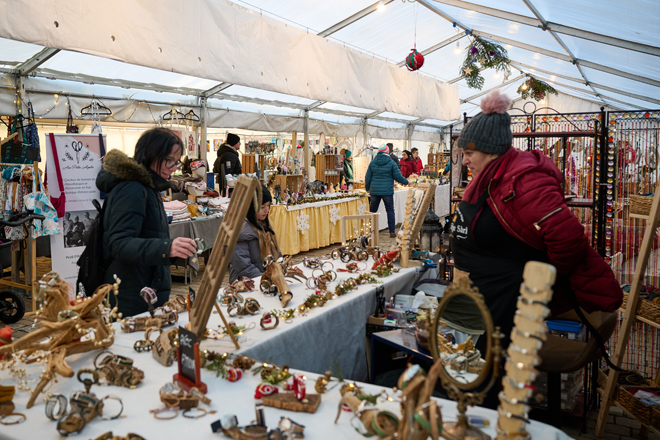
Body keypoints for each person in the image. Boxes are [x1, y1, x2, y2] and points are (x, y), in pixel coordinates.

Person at [449, 90, 623, 349]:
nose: (465, 161)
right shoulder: (491, 178)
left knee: (494, 371)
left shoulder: (525, 180)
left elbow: (568, 239)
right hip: (489, 297)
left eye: (468, 153)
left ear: (489, 149)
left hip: (511, 302)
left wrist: (539, 282)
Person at [96, 127, 197, 317]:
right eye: (168, 160)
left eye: (176, 162)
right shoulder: (132, 188)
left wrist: (170, 249)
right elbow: (119, 243)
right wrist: (166, 248)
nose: (173, 168)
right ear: (150, 155)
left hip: (142, 289)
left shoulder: (147, 186)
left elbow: (145, 234)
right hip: (130, 295)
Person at [229, 184, 280, 283]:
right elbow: (244, 267)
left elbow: (275, 251)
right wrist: (264, 279)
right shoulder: (239, 232)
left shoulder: (263, 224)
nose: (267, 210)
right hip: (246, 284)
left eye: (268, 205)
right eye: (262, 207)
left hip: (264, 280)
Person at [366, 144, 409, 238]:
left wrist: (367, 188)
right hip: (387, 191)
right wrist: (406, 182)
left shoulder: (373, 162)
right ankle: (392, 232)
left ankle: (369, 231)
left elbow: (368, 177)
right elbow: (397, 176)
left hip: (374, 190)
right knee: (390, 210)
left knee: (372, 212)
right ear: (387, 152)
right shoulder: (391, 162)